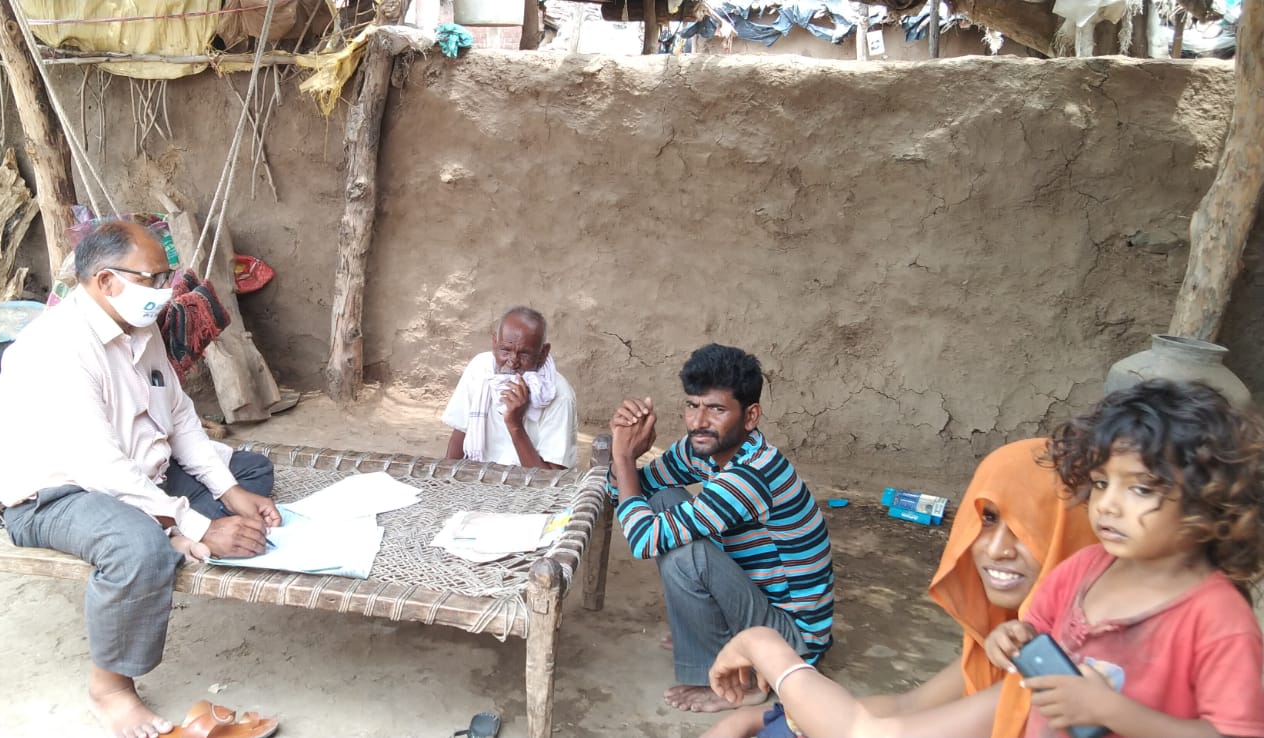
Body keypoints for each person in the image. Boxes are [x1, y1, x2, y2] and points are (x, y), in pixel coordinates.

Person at [0, 221, 283, 738]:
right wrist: (197, 524)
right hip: (59, 496)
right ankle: (111, 691)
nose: (166, 291)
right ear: (105, 281)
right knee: (137, 547)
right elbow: (98, 466)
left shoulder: (139, 331)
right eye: (154, 278)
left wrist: (230, 492)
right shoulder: (54, 349)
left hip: (140, 476)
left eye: (167, 277)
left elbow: (181, 417)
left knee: (250, 471)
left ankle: (168, 528)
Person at [700, 437, 1096, 738]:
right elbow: (908, 704)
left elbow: (866, 733)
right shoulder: (1016, 640)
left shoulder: (1064, 671)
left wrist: (762, 646)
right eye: (988, 519)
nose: (996, 549)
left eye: (1031, 528)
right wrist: (764, 716)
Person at [984, 380, 1264, 738]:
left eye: (1141, 488)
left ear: (1210, 500)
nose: (1107, 505)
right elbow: (1035, 631)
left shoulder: (1218, 619)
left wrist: (1111, 711)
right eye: (1101, 483)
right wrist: (1011, 639)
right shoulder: (1081, 569)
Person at [607, 343, 835, 713]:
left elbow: (643, 540)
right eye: (692, 405)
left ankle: (741, 683)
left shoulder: (752, 474)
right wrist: (628, 458)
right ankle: (707, 636)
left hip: (791, 640)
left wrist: (622, 456)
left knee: (686, 555)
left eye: (716, 409)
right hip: (758, 607)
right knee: (664, 500)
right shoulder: (704, 448)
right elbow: (631, 490)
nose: (699, 422)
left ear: (750, 416)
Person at [442, 306, 577, 469]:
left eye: (524, 354)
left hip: (526, 484)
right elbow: (460, 432)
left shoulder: (559, 395)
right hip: (478, 477)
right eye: (505, 350)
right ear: (494, 343)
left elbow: (551, 478)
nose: (513, 362)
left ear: (543, 354)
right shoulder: (480, 369)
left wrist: (515, 424)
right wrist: (446, 478)